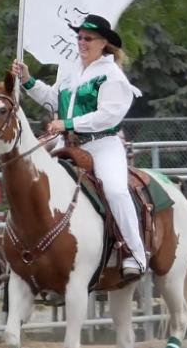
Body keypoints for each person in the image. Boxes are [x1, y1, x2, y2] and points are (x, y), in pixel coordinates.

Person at [12, 14, 145, 282]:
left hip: (102, 146)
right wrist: (27, 80)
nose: (82, 42)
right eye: (80, 37)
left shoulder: (111, 75)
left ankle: (135, 254)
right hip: (66, 144)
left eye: (88, 38)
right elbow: (53, 101)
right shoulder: (70, 69)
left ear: (103, 43)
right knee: (31, 181)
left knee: (116, 191)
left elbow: (109, 115)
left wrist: (69, 123)